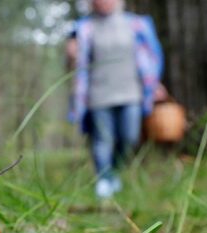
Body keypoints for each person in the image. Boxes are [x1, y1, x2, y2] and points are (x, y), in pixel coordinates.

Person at [68, 0, 164, 199]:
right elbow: (74, 64)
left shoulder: (137, 25)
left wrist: (154, 85)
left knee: (129, 136)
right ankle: (104, 179)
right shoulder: (84, 28)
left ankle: (115, 173)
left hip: (131, 91)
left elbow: (150, 58)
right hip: (99, 93)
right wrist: (71, 55)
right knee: (103, 139)